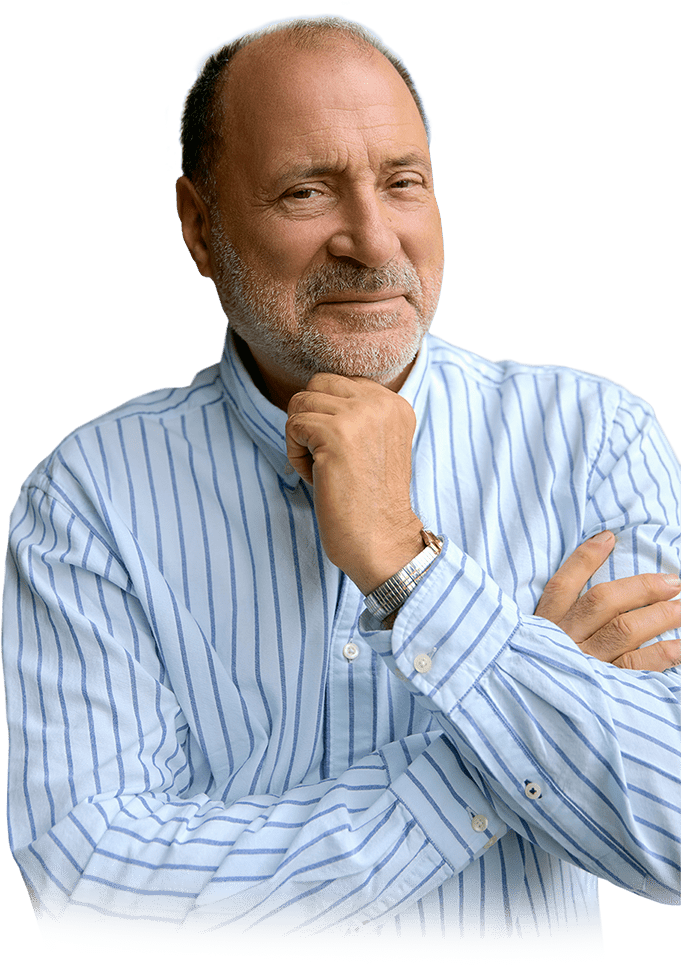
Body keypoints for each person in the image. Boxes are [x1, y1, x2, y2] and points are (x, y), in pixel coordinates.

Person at [3, 13, 680, 959]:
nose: (371, 239)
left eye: (403, 182)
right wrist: (508, 735)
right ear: (199, 227)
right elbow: (93, 884)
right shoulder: (89, 497)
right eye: (307, 191)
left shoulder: (594, 438)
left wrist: (406, 567)